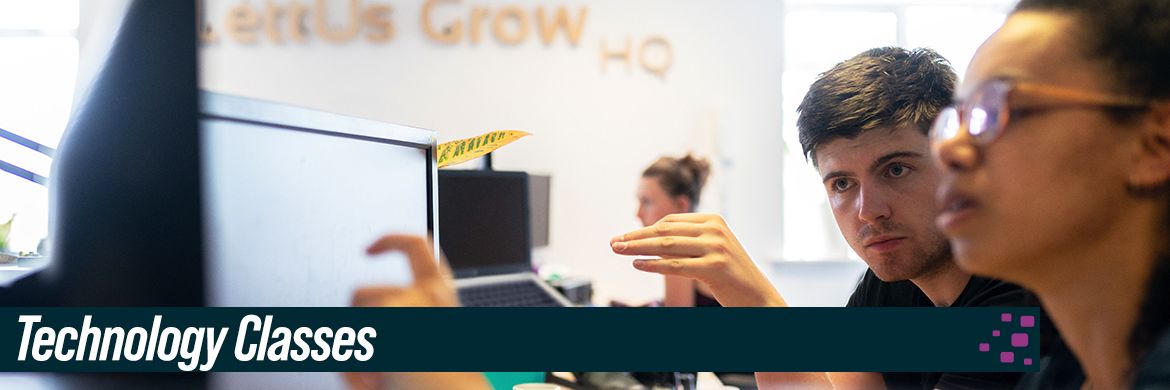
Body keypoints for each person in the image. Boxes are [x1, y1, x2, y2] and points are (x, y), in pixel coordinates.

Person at [610, 47, 1047, 390]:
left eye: (896, 170)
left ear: (956, 164)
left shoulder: (1019, 302)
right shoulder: (889, 283)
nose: (868, 210)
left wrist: (758, 307)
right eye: (841, 183)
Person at [930, 0, 1170, 388]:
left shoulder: (1006, 314)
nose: (947, 151)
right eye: (840, 183)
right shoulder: (886, 283)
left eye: (999, 108)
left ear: (1156, 144)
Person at [637, 154, 719, 307]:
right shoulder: (701, 243)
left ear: (681, 206)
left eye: (647, 202)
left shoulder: (678, 250)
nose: (638, 213)